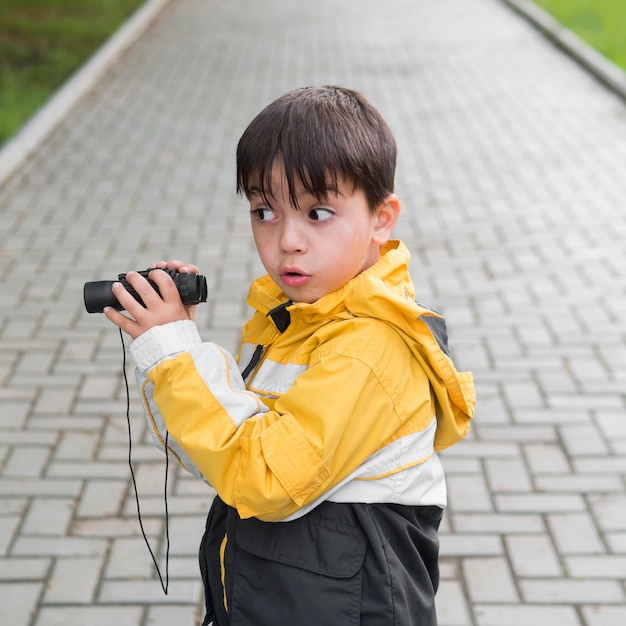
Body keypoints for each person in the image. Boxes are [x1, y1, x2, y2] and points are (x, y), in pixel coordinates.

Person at [103, 85, 475, 626]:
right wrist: (175, 345)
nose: (288, 241)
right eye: (264, 211)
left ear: (381, 218)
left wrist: (177, 355)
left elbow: (266, 480)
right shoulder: (294, 318)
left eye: (318, 212)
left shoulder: (371, 350)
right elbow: (225, 455)